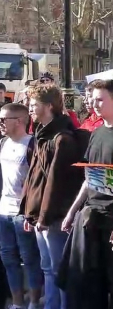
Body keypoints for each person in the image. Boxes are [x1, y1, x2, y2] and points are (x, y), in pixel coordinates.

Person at [59, 79, 113, 309]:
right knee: (87, 282)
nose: (94, 104)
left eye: (100, 99)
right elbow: (88, 176)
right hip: (92, 216)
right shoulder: (97, 133)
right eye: (92, 100)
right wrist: (72, 212)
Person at [22, 85, 83, 309]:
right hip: (41, 214)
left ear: (49, 106)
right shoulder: (41, 133)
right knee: (47, 267)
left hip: (53, 216)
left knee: (59, 269)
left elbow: (55, 183)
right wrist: (29, 212)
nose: (30, 107)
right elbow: (33, 178)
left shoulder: (61, 139)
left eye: (35, 103)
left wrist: (43, 217)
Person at [0, 103, 41, 309]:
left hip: (22, 212)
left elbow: (35, 181)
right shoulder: (3, 143)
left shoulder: (32, 144)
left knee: (29, 258)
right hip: (3, 210)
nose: (1, 123)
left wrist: (30, 212)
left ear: (19, 121)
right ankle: (17, 302)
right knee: (8, 258)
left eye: (4, 119)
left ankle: (34, 301)